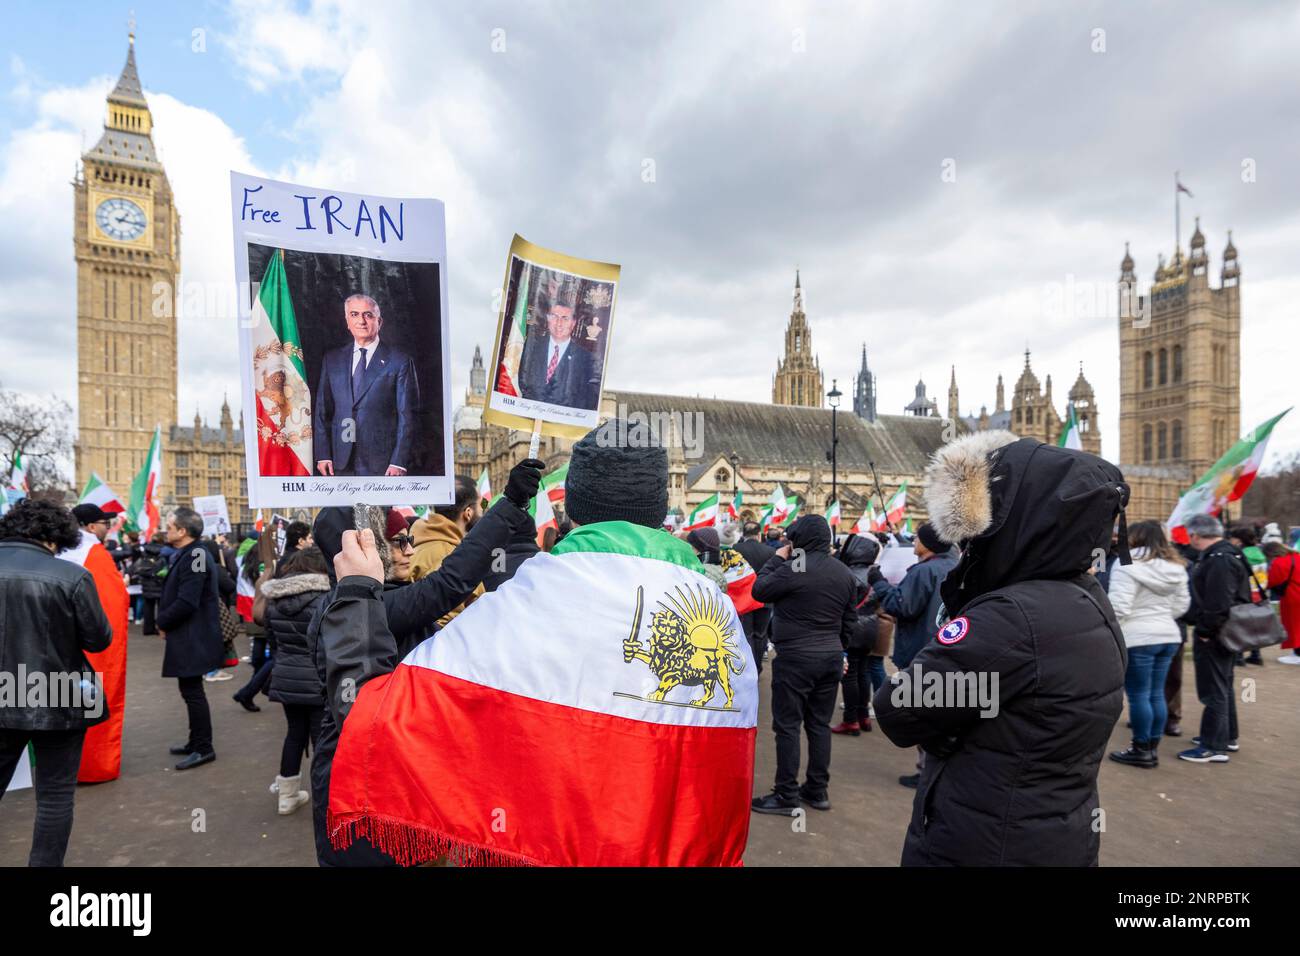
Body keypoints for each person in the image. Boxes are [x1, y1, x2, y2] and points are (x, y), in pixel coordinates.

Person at [874, 431, 1129, 866]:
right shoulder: (1088, 599)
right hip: (1055, 832)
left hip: (987, 839)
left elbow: (900, 709)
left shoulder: (1010, 618)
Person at [307, 458, 544, 865]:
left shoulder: (361, 602)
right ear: (362, 549)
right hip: (369, 796)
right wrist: (509, 503)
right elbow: (449, 582)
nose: (408, 548)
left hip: (380, 787)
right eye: (396, 541)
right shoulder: (363, 606)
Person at [0, 499, 113, 866]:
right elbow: (98, 639)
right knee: (55, 796)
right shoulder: (71, 575)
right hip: (60, 693)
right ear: (54, 537)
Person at [750, 514, 858, 816]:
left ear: (800, 540)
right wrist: (841, 652)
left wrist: (776, 557)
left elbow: (759, 590)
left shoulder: (795, 566)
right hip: (830, 657)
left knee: (788, 726)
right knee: (818, 725)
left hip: (797, 657)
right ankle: (817, 789)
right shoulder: (844, 573)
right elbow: (850, 622)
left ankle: (786, 794)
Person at [870, 520, 958, 787]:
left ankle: (927, 773)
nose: (914, 543)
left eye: (918, 539)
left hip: (921, 650)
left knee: (922, 714)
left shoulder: (924, 572)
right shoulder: (954, 566)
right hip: (947, 650)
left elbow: (902, 606)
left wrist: (881, 584)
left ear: (928, 544)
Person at [1106, 521, 1190, 768]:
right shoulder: (1176, 567)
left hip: (1138, 636)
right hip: (1168, 634)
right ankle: (1151, 747)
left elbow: (1119, 606)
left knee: (1139, 695)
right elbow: (1182, 605)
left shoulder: (1127, 564)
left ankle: (1141, 748)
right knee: (1156, 693)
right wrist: (1162, 618)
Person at [59, 504, 130, 784]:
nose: (107, 528)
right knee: (94, 702)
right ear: (90, 526)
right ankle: (93, 766)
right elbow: (111, 606)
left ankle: (64, 765)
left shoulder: (60, 551)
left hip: (58, 644)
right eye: (104, 523)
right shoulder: (95, 554)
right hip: (91, 648)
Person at [312, 293, 419, 477]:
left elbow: (407, 415)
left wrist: (398, 461)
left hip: (383, 465)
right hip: (339, 463)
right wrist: (322, 454)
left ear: (379, 322)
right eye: (354, 314)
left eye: (368, 315)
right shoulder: (332, 360)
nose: (361, 321)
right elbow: (322, 411)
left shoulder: (400, 361)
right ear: (347, 321)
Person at [263, 546, 333, 815]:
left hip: (286, 677)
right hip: (318, 680)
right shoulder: (326, 600)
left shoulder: (275, 601)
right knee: (322, 741)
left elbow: (272, 642)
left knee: (294, 735)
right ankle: (325, 801)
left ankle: (287, 797)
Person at [156, 507, 224, 770]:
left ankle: (204, 747)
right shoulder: (189, 553)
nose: (167, 530)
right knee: (190, 690)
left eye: (170, 526)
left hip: (193, 636)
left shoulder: (195, 554)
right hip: (189, 634)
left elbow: (187, 601)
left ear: (182, 531)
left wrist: (162, 621)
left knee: (193, 692)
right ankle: (195, 741)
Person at [1180, 513, 1251, 763]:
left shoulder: (1219, 559)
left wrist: (1206, 632)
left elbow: (1218, 603)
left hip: (1217, 633)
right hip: (1228, 632)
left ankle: (1213, 745)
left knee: (1214, 690)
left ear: (1196, 535)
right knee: (1223, 687)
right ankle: (1226, 736)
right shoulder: (1228, 554)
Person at [408, 474, 483, 624]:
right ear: (468, 512)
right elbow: (444, 625)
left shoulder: (424, 543)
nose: (484, 510)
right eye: (483, 504)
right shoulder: (449, 555)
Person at [519, 282, 600, 409]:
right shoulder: (531, 349)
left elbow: (586, 399)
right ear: (547, 319)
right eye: (554, 316)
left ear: (573, 323)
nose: (559, 323)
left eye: (565, 318)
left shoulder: (585, 359)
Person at [832, 533, 884, 735]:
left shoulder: (849, 574)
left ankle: (850, 719)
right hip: (871, 627)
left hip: (853, 629)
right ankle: (863, 716)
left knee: (850, 676)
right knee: (863, 673)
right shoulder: (874, 572)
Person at [734, 521, 774, 674]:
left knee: (746, 634)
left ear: (743, 534)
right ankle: (757, 666)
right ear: (759, 534)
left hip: (743, 599)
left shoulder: (736, 549)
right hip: (764, 599)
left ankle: (748, 667)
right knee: (761, 634)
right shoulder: (770, 551)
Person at [1229, 525, 1268, 666]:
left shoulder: (1240, 554)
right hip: (1259, 592)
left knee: (1240, 625)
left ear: (1239, 540)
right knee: (1255, 626)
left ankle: (1239, 656)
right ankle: (1256, 654)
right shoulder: (1260, 553)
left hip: (1244, 593)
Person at [1264, 540, 1300, 664]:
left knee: (1293, 627)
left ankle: (1297, 654)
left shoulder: (1279, 562)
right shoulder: (1296, 556)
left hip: (1292, 597)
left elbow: (1273, 581)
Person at [129, 533, 167, 635]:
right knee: (161, 607)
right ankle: (160, 627)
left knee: (148, 606)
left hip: (146, 582)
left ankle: (147, 628)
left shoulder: (145, 550)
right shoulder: (164, 551)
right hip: (159, 582)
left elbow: (137, 564)